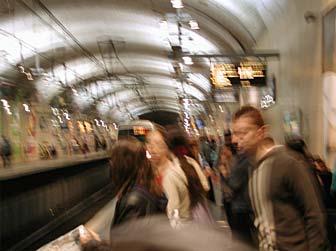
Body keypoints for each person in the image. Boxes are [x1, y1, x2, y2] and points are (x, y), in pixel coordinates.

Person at [232, 105, 329, 251]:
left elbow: (314, 215)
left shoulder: (288, 163)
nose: (235, 139)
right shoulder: (249, 168)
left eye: (243, 133)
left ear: (261, 132)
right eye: (235, 133)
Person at [146, 127, 209, 223]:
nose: (152, 148)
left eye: (158, 144)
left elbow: (173, 213)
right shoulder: (146, 171)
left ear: (167, 147)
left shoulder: (172, 173)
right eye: (149, 142)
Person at [109, 138, 165, 227]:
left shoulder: (133, 202)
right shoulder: (148, 186)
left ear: (123, 165)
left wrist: (92, 241)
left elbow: (128, 240)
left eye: (113, 160)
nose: (111, 164)